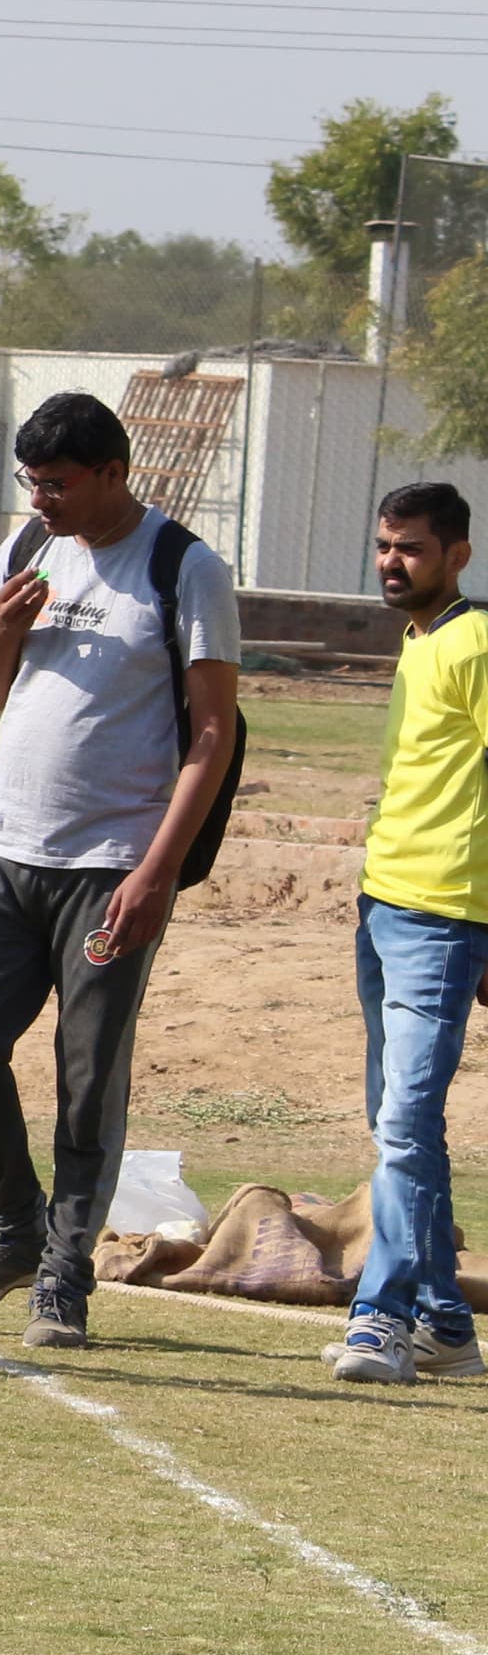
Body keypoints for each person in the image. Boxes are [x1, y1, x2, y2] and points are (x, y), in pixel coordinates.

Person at [0, 391, 241, 1349]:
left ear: (114, 472)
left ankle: (64, 1275)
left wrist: (157, 871)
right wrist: (3, 630)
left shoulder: (186, 568)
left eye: (58, 484)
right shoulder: (27, 549)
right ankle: (15, 1223)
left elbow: (214, 732)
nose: (43, 499)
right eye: (32, 483)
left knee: (87, 1073)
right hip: (3, 849)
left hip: (111, 864)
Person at [326, 483, 488, 1385]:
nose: (392, 563)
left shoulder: (475, 641)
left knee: (405, 1124)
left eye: (412, 549)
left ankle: (379, 1318)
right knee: (400, 1128)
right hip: (384, 907)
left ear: (457, 554)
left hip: (447, 916)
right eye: (385, 546)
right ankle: (446, 1328)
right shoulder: (419, 639)